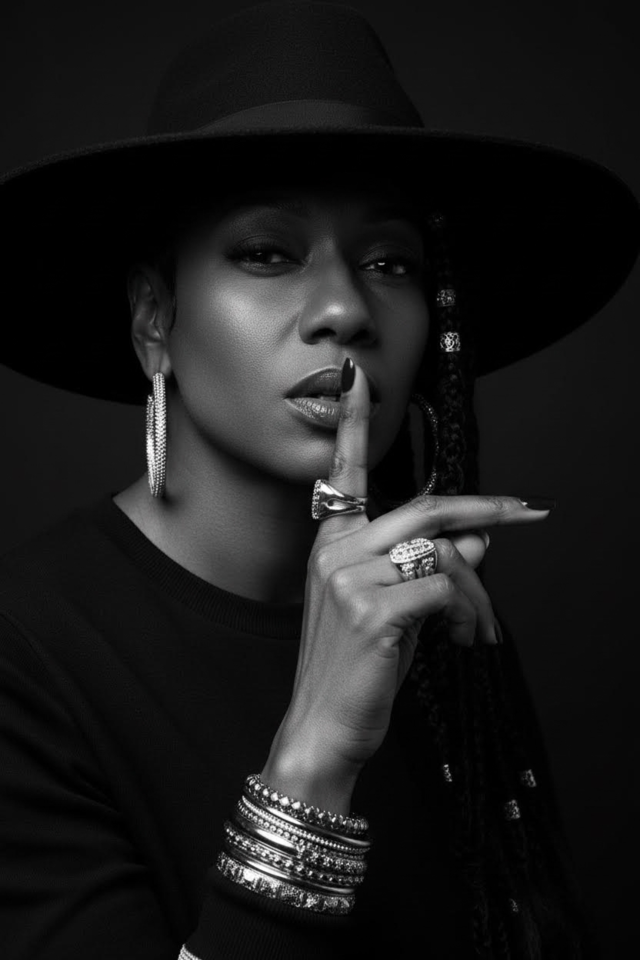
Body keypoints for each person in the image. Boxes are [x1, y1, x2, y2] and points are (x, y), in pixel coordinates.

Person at [0, 2, 638, 958]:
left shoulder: (431, 612)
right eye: (267, 252)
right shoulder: (26, 658)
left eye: (390, 261)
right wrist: (315, 757)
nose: (345, 308)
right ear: (154, 319)